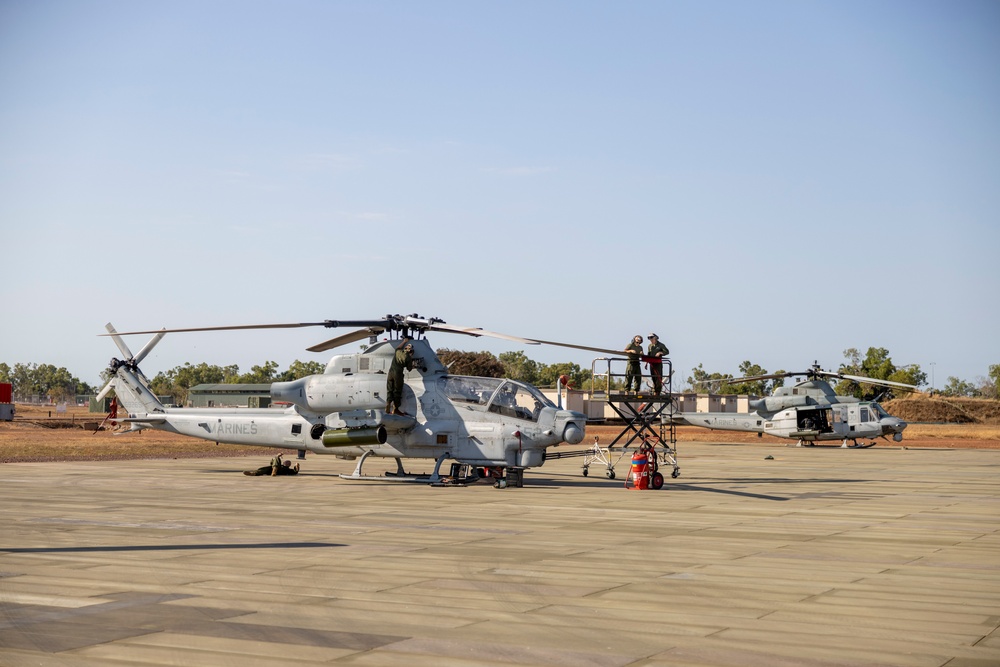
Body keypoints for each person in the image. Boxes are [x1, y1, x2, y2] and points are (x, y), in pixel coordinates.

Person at [386, 338, 415, 416]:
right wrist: (411, 359)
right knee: (397, 391)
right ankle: (396, 409)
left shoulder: (398, 352)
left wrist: (404, 341)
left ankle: (388, 403)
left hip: (390, 373)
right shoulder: (408, 357)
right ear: (411, 352)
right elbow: (409, 369)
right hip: (397, 374)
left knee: (389, 390)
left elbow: (398, 348)